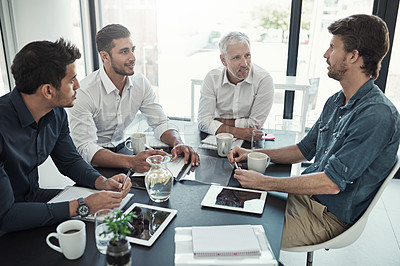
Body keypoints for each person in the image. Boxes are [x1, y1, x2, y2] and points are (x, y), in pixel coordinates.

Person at [228, 14, 400, 248]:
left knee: (235, 235)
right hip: (307, 198)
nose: (326, 54)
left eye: (332, 47)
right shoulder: (337, 100)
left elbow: (331, 183)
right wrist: (255, 155)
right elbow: (305, 149)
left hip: (326, 217)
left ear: (353, 56)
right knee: (228, 206)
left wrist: (265, 182)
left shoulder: (377, 115)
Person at [0, 39, 132, 236]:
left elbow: (69, 161)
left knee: (110, 219)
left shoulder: (56, 113)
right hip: (9, 214)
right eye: (72, 80)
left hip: (32, 199)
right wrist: (81, 205)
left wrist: (102, 182)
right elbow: (6, 216)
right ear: (48, 90)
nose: (78, 85)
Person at [68, 24, 199, 172]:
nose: (133, 58)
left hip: (124, 151)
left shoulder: (140, 83)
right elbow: (85, 148)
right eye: (124, 52)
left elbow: (160, 122)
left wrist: (177, 142)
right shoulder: (84, 92)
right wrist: (131, 161)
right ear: (104, 56)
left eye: (132, 50)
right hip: (96, 163)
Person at [197, 31, 274, 142]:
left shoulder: (263, 80)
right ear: (223, 60)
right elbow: (203, 122)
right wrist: (239, 132)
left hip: (249, 140)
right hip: (217, 140)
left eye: (247, 55)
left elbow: (255, 124)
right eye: (236, 58)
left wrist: (217, 121)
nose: (244, 64)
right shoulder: (212, 78)